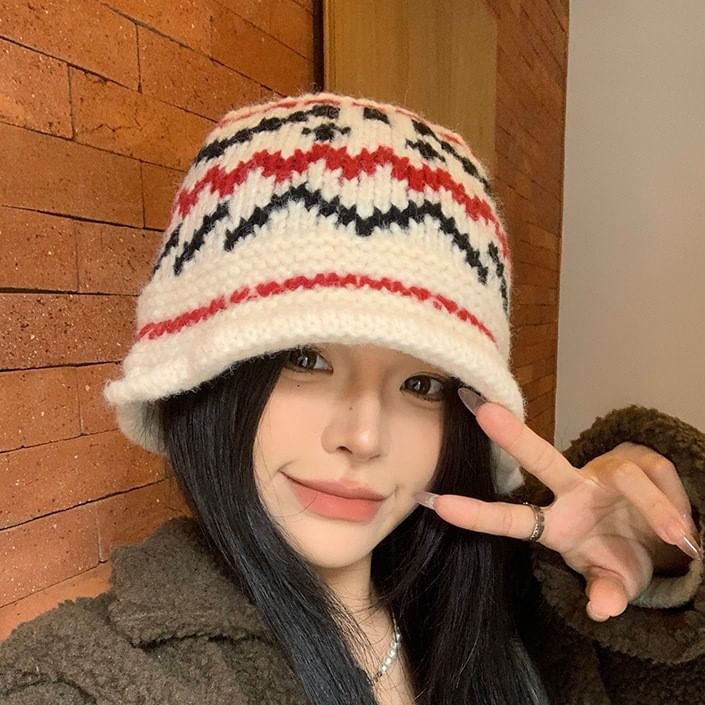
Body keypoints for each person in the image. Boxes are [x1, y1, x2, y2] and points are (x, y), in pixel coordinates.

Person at [1, 92, 703, 705]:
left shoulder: (512, 608)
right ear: (207, 378)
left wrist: (658, 580)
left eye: (421, 384)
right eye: (306, 359)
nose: (363, 438)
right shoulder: (78, 677)